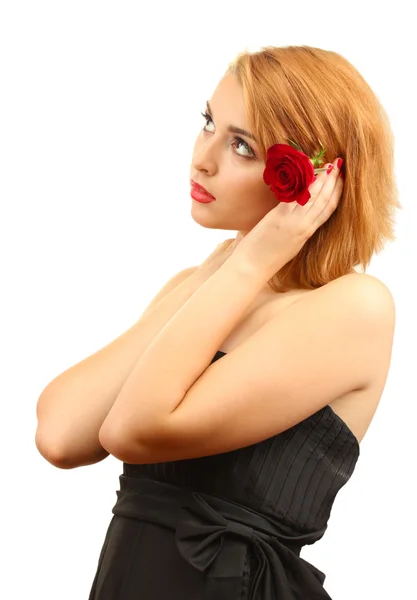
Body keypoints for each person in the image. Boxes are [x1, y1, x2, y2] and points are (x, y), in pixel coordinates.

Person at [36, 45, 400, 599]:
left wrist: (251, 260)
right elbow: (60, 435)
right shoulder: (200, 285)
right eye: (208, 123)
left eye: (241, 146)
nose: (202, 159)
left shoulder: (354, 307)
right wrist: (226, 270)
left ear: (313, 183)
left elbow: (130, 431)